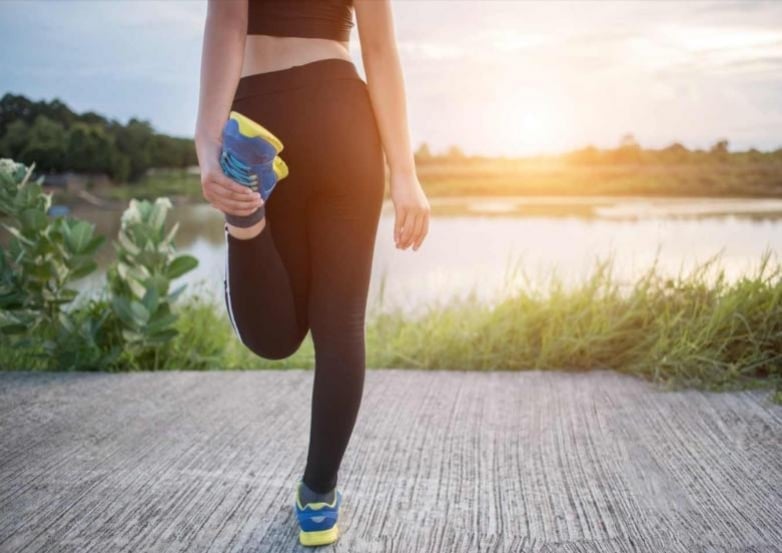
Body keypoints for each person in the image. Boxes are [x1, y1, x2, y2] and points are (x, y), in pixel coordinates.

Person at [194, 0, 430, 546]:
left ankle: (246, 219)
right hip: (342, 116)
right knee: (340, 325)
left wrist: (208, 145)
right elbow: (379, 48)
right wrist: (405, 173)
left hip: (262, 120)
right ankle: (318, 497)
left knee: (273, 339)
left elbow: (227, 22)